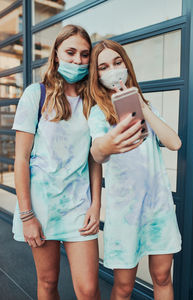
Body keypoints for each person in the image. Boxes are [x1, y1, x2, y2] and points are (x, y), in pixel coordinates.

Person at [86, 39, 182, 300]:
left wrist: (142, 107)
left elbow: (174, 142)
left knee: (162, 277)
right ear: (97, 75)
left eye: (117, 62)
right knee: (124, 287)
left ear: (126, 65)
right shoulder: (97, 114)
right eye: (104, 66)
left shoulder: (148, 107)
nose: (113, 70)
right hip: (125, 213)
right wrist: (109, 143)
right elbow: (97, 152)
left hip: (158, 209)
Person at [12, 24, 102, 300]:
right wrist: (27, 215)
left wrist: (96, 204)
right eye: (71, 52)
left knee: (88, 290)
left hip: (78, 207)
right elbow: (21, 159)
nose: (78, 60)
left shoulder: (93, 101)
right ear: (56, 55)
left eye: (85, 54)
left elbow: (94, 157)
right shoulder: (34, 95)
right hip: (41, 208)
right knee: (48, 283)